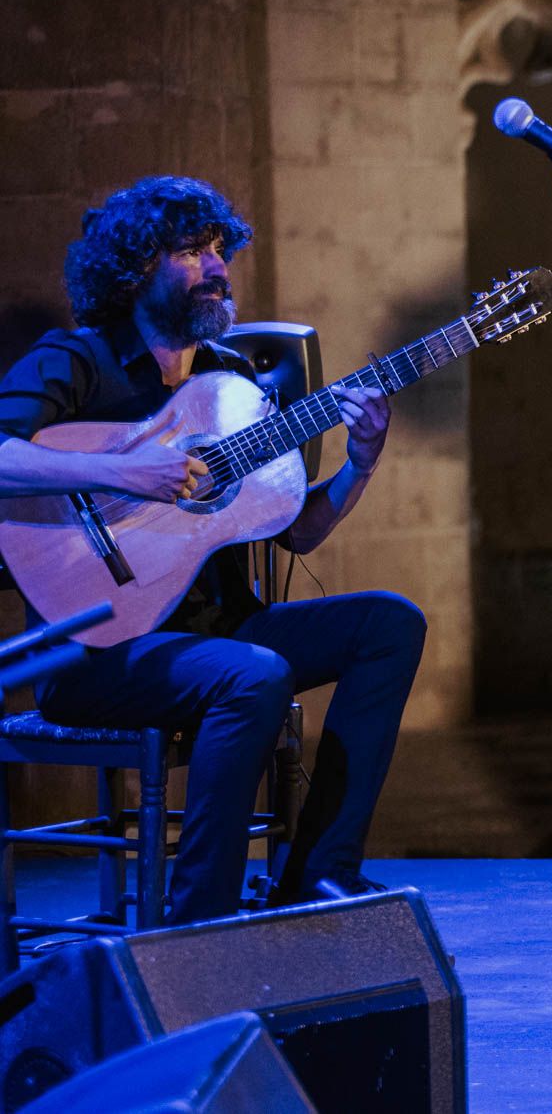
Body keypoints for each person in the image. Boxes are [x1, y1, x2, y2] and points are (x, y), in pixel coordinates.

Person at [0, 175, 425, 923]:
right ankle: (201, 921)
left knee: (389, 623)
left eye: (221, 248)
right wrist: (127, 472)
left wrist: (359, 464)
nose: (218, 265)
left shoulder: (231, 382)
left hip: (218, 632)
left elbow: (295, 530)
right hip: (92, 651)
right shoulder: (75, 360)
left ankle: (317, 875)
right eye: (193, 249)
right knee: (252, 672)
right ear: (136, 265)